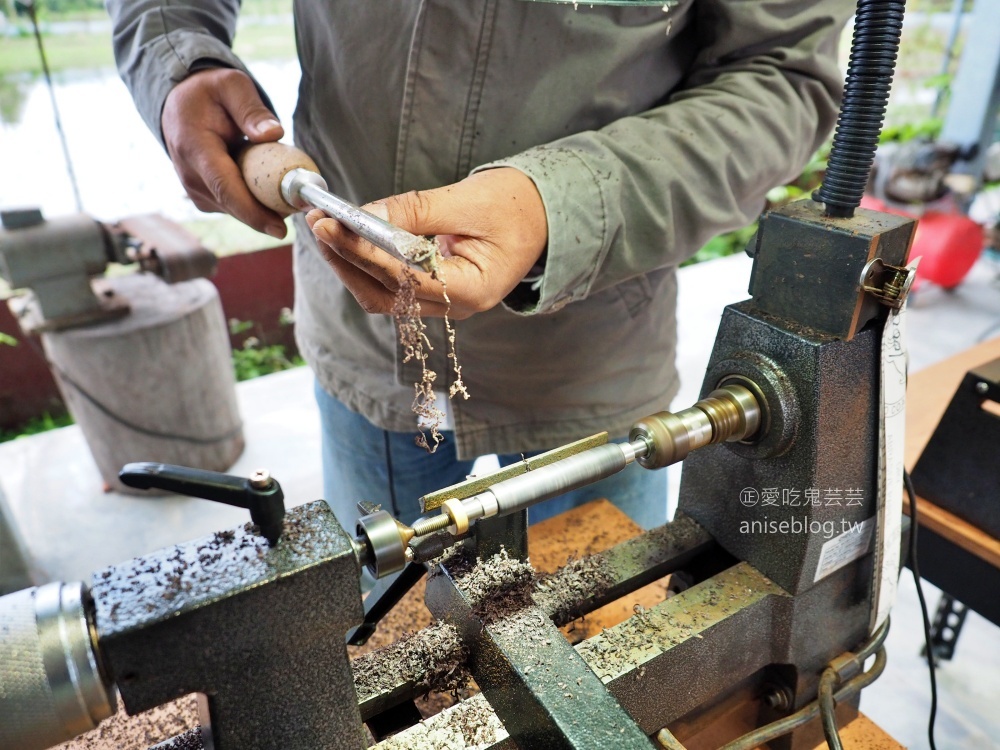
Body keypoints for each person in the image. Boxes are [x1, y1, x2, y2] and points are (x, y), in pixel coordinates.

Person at [108, 0, 852, 535]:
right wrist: (180, 61)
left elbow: (782, 75)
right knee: (380, 630)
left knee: (598, 638)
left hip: (590, 354)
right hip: (370, 349)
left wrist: (556, 207)